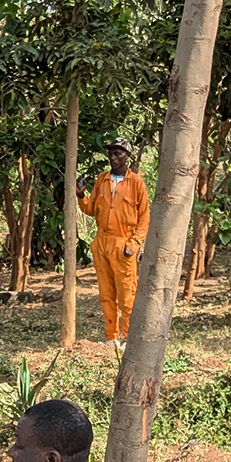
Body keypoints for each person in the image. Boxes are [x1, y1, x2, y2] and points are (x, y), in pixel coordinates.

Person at [77, 138, 150, 345]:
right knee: (106, 293)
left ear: (127, 156)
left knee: (127, 294)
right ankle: (111, 337)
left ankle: (128, 337)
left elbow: (144, 218)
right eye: (111, 153)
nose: (113, 157)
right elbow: (91, 209)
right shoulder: (102, 179)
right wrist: (80, 195)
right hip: (101, 243)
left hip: (123, 244)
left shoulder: (136, 183)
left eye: (118, 153)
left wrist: (133, 244)